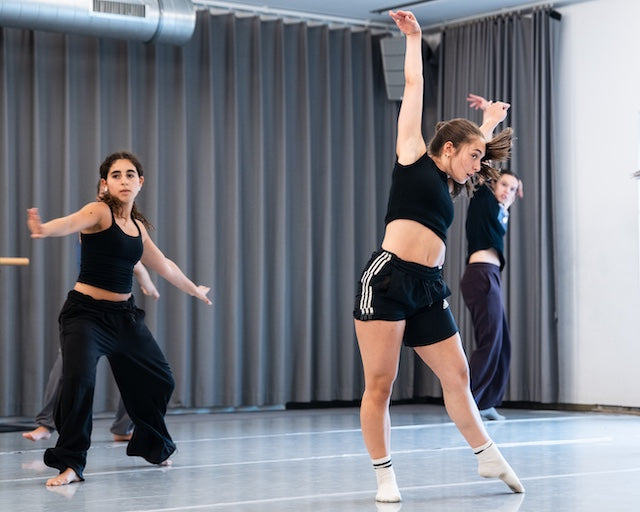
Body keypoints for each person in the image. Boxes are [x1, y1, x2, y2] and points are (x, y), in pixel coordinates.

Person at [352, 10, 524, 503]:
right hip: (388, 279)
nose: (479, 168)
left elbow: (477, 148)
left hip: (429, 286)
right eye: (474, 157)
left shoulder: (452, 179)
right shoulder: (411, 155)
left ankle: (486, 454)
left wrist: (490, 123)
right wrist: (414, 38)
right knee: (381, 383)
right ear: (447, 148)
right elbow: (414, 85)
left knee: (458, 375)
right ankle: (385, 475)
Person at [27, 150, 212, 487]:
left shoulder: (138, 228)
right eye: (116, 175)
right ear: (105, 184)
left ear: (140, 183)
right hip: (85, 315)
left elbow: (165, 265)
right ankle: (71, 464)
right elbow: (70, 222)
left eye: (129, 175)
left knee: (161, 379)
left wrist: (194, 290)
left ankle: (151, 444)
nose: (123, 180)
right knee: (79, 383)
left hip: (124, 317)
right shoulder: (98, 211)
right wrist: (44, 229)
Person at [22, 261, 159, 443]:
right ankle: (47, 424)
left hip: (120, 315)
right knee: (67, 365)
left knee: (142, 369)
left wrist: (149, 283)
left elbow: (144, 263)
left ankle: (124, 428)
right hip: (88, 314)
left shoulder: (132, 243)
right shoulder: (95, 241)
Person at [462, 94, 522, 421]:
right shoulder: (484, 198)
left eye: (513, 189)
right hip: (481, 275)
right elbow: (482, 161)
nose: (507, 191)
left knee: (502, 341)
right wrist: (488, 116)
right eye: (504, 185)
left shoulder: (501, 212)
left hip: (491, 276)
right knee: (490, 340)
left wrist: (508, 202)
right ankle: (468, 402)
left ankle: (485, 402)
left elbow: (506, 205)